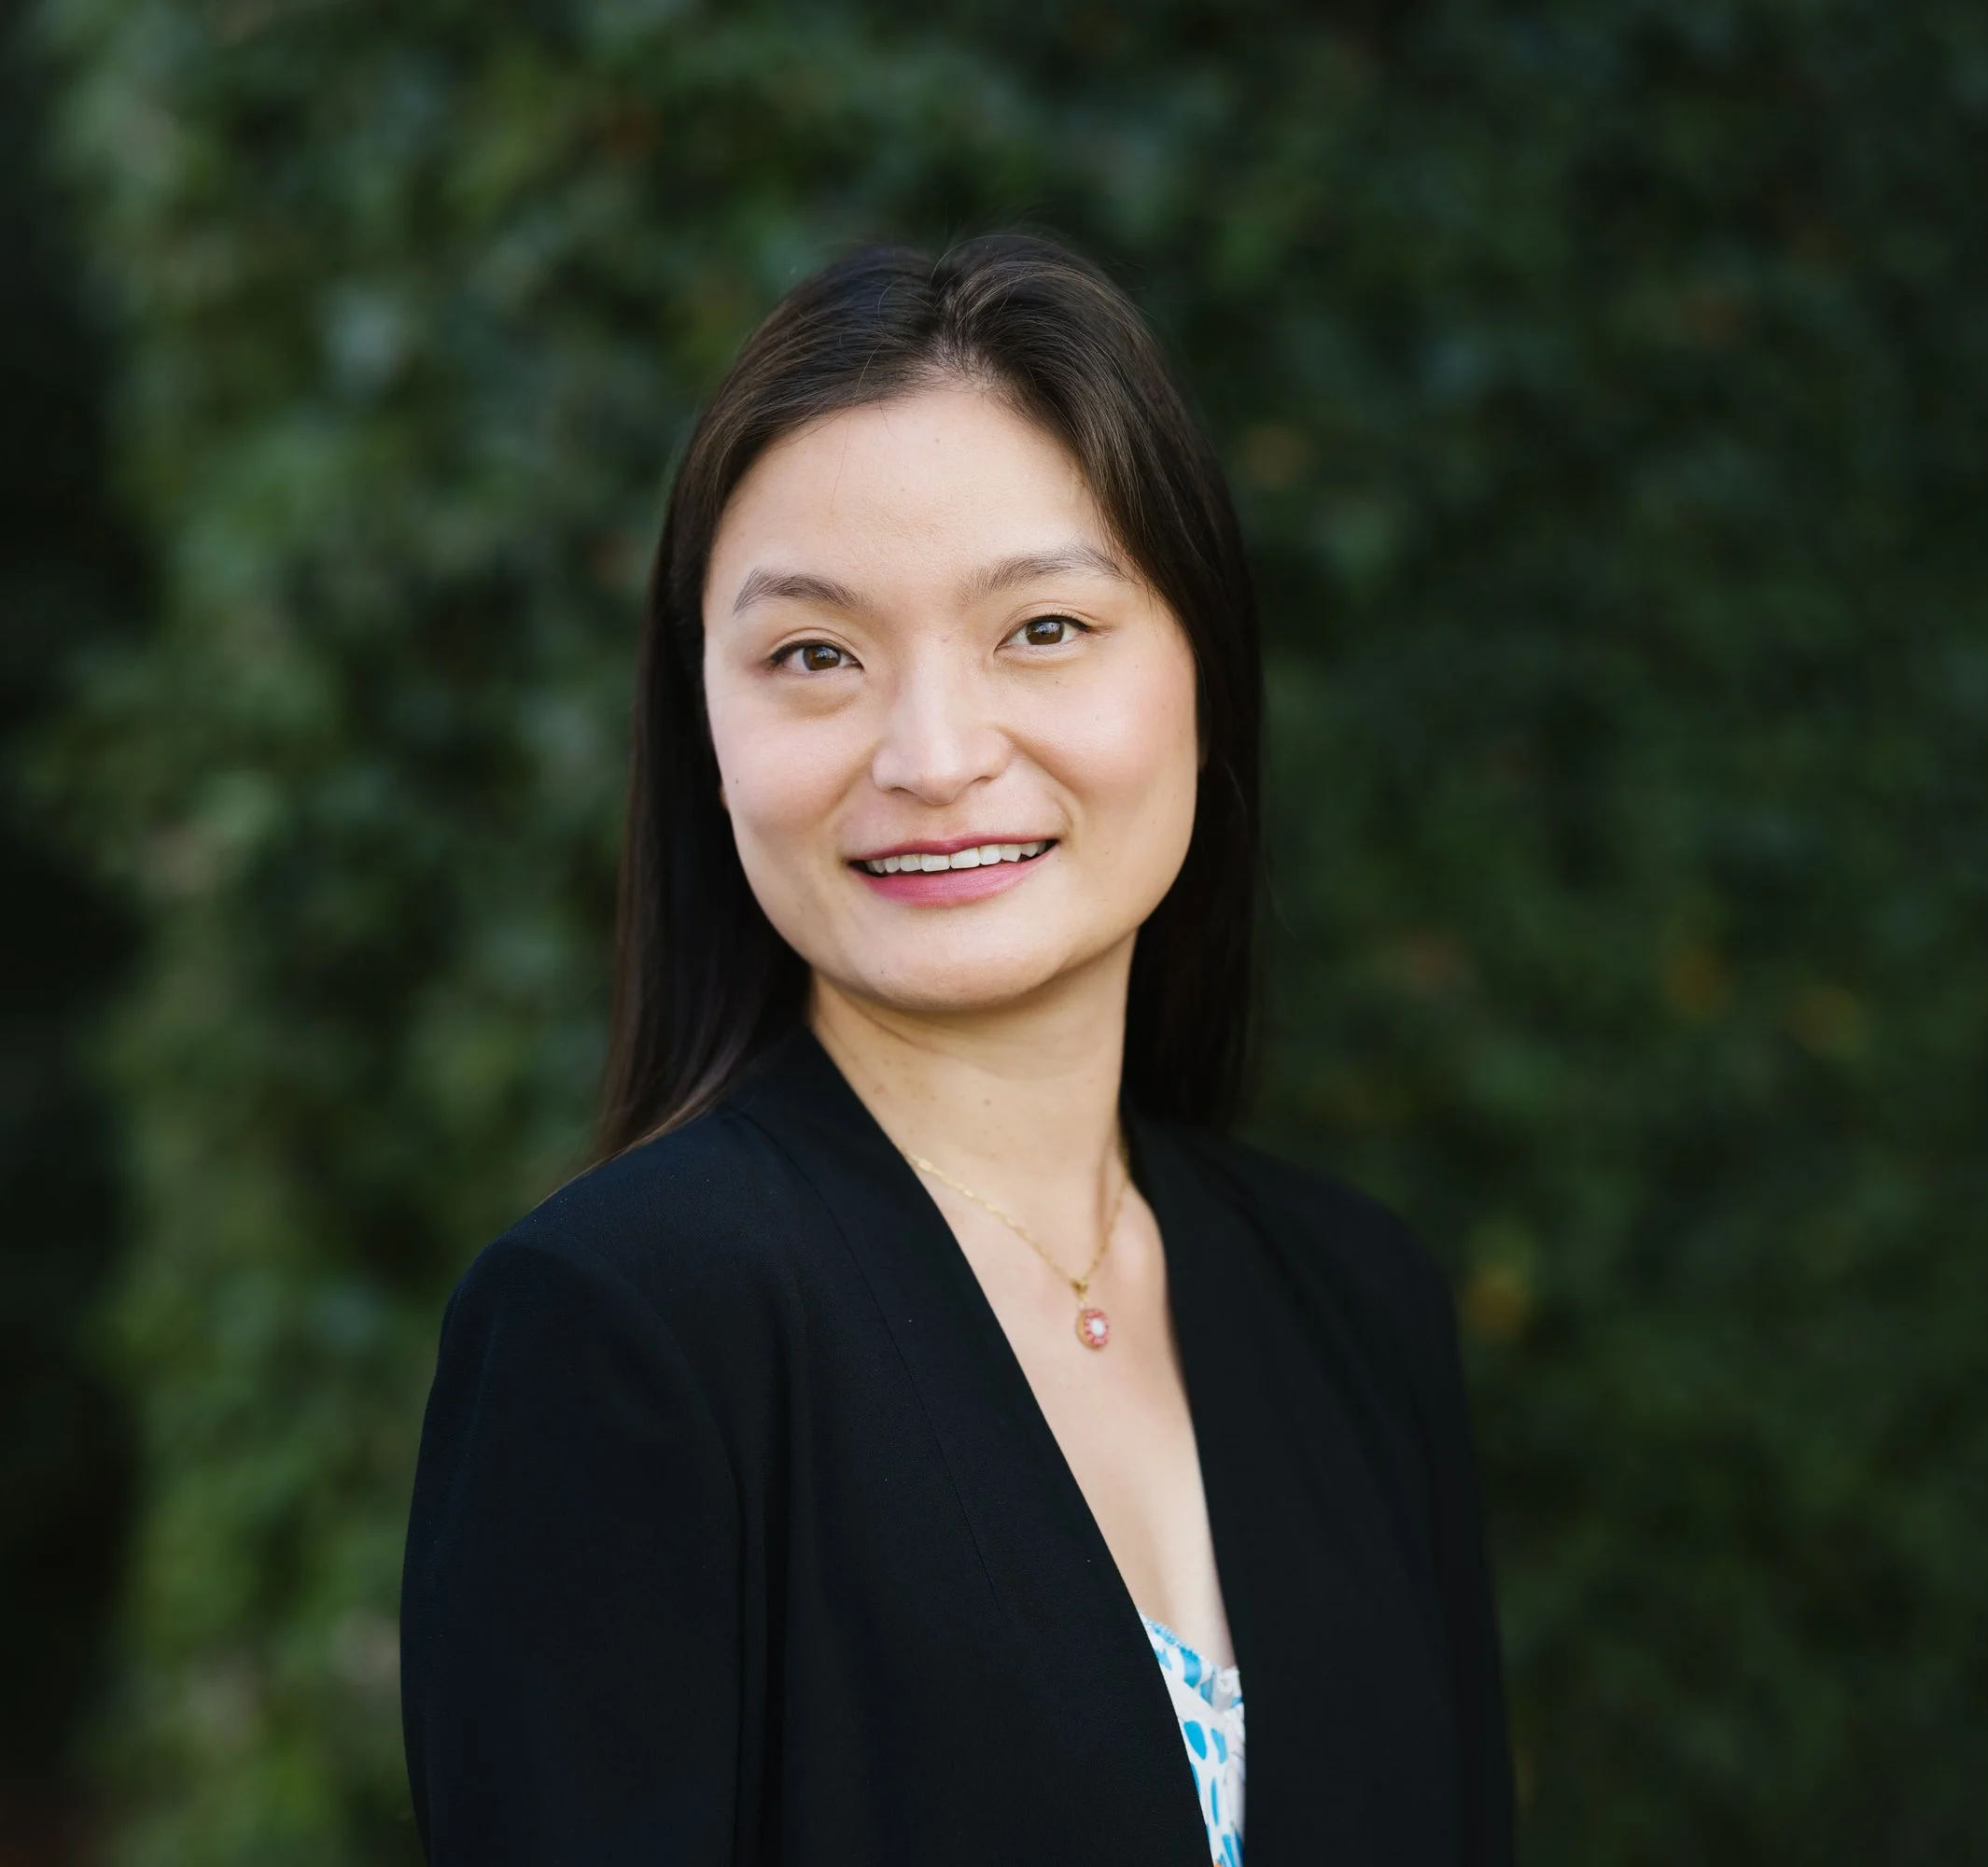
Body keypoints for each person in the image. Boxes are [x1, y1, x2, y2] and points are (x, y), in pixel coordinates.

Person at [399, 232, 1516, 1866]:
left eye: (1043, 629)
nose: (933, 755)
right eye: (815, 656)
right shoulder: (621, 1329)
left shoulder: (1357, 1304)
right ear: (700, 727)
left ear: (1202, 671)